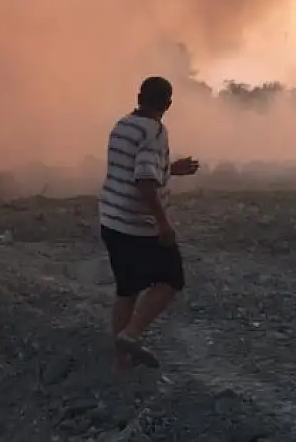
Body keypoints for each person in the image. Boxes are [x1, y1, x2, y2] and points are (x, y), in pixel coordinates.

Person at [98, 76, 199, 371]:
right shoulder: (154, 132)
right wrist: (163, 222)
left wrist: (169, 169)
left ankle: (121, 364)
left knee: (127, 289)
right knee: (171, 279)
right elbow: (144, 181)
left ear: (139, 96)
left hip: (111, 220)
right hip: (137, 225)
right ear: (168, 105)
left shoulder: (123, 125)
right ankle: (130, 335)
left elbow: (139, 168)